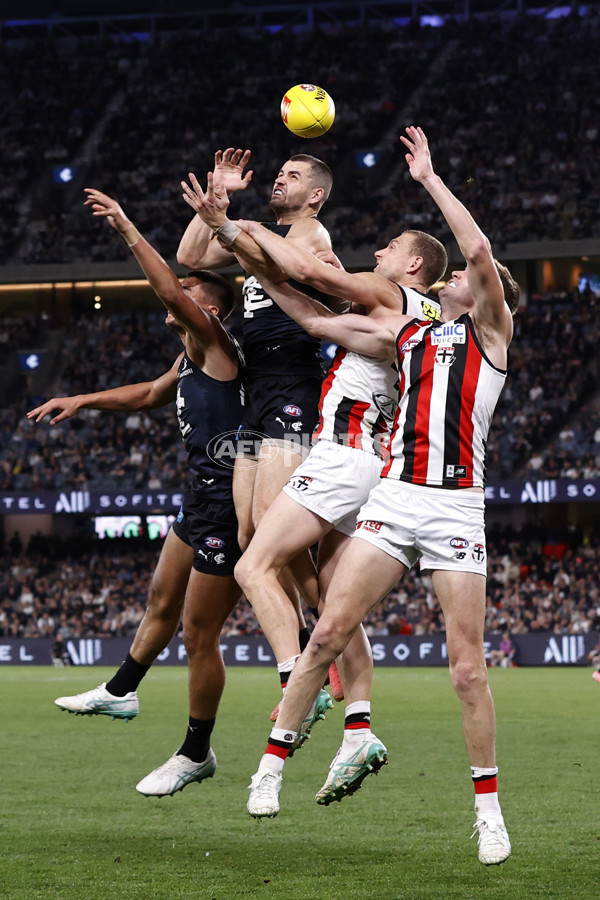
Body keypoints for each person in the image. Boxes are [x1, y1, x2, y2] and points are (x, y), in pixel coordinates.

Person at [245, 126, 520, 868]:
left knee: (466, 669)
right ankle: (271, 766)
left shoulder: (493, 332)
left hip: (457, 506)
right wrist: (248, 258)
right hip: (396, 498)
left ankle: (487, 812)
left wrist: (430, 179)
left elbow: (480, 254)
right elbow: (312, 315)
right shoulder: (408, 332)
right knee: (328, 630)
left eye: (461, 276)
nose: (458, 277)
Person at [195, 197, 447, 785]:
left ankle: (296, 686)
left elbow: (310, 275)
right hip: (372, 462)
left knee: (252, 562)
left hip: (344, 455)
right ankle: (359, 728)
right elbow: (309, 316)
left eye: (391, 248)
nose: (378, 252)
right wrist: (258, 266)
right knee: (335, 605)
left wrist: (238, 228)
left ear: (413, 267)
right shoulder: (421, 322)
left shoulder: (398, 298)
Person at [32, 188, 244, 798]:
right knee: (159, 601)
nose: (177, 294)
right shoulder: (187, 358)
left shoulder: (215, 342)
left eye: (191, 290)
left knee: (200, 636)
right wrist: (84, 399)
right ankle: (122, 690)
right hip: (198, 497)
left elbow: (172, 291)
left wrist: (127, 227)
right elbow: (150, 394)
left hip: (229, 506)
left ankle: (196, 751)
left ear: (210, 307)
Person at [177, 150, 334, 649]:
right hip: (257, 383)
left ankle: (325, 629)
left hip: (292, 376)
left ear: (316, 195)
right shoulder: (256, 228)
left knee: (269, 527)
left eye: (292, 176)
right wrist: (218, 201)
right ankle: (311, 628)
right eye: (280, 172)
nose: (278, 180)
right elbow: (191, 258)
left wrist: (228, 225)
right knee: (249, 537)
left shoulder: (312, 232)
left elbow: (279, 265)